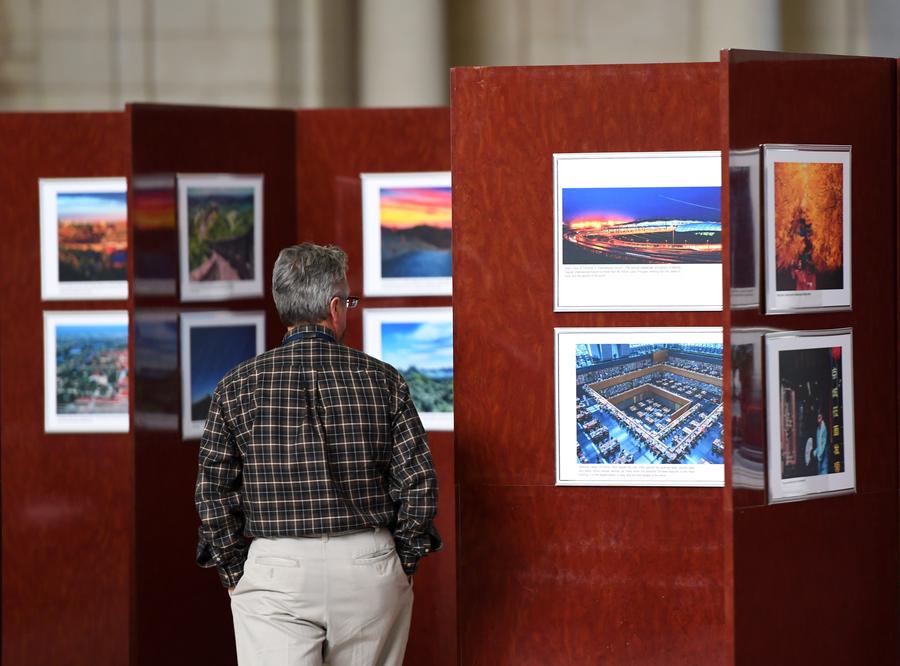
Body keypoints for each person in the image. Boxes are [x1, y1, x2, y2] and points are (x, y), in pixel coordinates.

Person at [195, 243, 441, 665]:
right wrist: (403, 560)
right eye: (348, 300)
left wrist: (235, 571)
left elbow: (212, 492)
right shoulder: (383, 380)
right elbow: (418, 484)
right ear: (334, 307)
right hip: (369, 565)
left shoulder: (236, 385)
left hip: (275, 568)